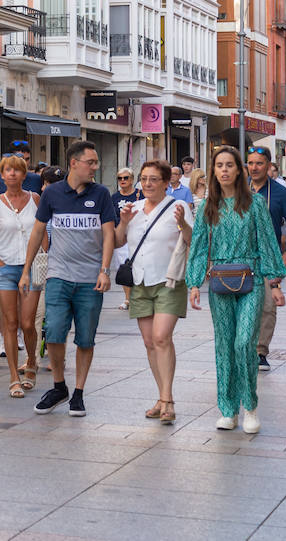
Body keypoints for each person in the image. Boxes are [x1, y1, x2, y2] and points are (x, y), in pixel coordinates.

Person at [187, 147, 286, 433]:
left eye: (230, 165)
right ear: (214, 170)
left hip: (251, 280)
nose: (225, 170)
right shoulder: (207, 206)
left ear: (238, 170)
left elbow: (268, 241)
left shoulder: (254, 204)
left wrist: (275, 282)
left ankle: (250, 407)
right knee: (224, 345)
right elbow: (198, 247)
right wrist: (194, 282)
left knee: (244, 343)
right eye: (219, 165)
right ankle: (228, 409)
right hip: (219, 281)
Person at [20, 140, 116, 416]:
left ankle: (78, 393)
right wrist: (26, 270)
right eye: (91, 162)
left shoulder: (100, 195)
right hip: (58, 275)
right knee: (55, 333)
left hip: (90, 280)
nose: (95, 167)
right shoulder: (52, 195)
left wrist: (105, 270)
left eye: (96, 162)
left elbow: (108, 234)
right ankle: (59, 386)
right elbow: (38, 232)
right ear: (74, 163)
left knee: (85, 339)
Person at [117, 159, 192, 424]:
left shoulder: (178, 207)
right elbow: (118, 241)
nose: (147, 184)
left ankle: (168, 399)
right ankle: (161, 397)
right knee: (150, 342)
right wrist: (124, 222)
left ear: (165, 183)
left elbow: (192, 241)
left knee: (161, 337)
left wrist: (183, 224)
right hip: (140, 281)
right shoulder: (133, 208)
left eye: (153, 179)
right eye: (144, 179)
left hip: (169, 280)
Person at [0, 156, 40, 397]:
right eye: (8, 170)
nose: (12, 174)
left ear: (24, 174)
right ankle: (14, 376)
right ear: (1, 175)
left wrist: (43, 254)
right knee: (10, 323)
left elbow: (42, 230)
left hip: (32, 267)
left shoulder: (35, 199)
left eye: (17, 170)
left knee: (28, 323)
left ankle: (32, 361)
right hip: (6, 268)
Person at [245, 146, 286, 373]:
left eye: (259, 163)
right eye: (251, 163)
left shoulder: (280, 193)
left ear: (269, 166)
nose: (254, 167)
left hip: (268, 256)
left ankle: (260, 352)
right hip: (241, 256)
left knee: (266, 306)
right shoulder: (238, 190)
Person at [110, 168, 141, 311]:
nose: (123, 181)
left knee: (139, 266)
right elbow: (111, 216)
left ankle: (139, 296)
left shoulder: (139, 195)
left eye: (126, 178)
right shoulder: (114, 198)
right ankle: (128, 299)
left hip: (138, 235)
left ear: (132, 179)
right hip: (121, 235)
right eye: (120, 178)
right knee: (124, 267)